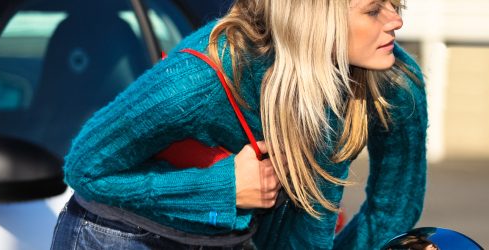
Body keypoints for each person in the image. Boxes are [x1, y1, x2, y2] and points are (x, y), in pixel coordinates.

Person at [50, 0, 427, 249]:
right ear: (316, 17)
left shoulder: (394, 81)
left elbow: (392, 209)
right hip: (122, 236)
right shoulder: (200, 79)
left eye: (395, 3)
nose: (397, 20)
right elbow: (85, 169)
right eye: (374, 9)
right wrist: (225, 189)